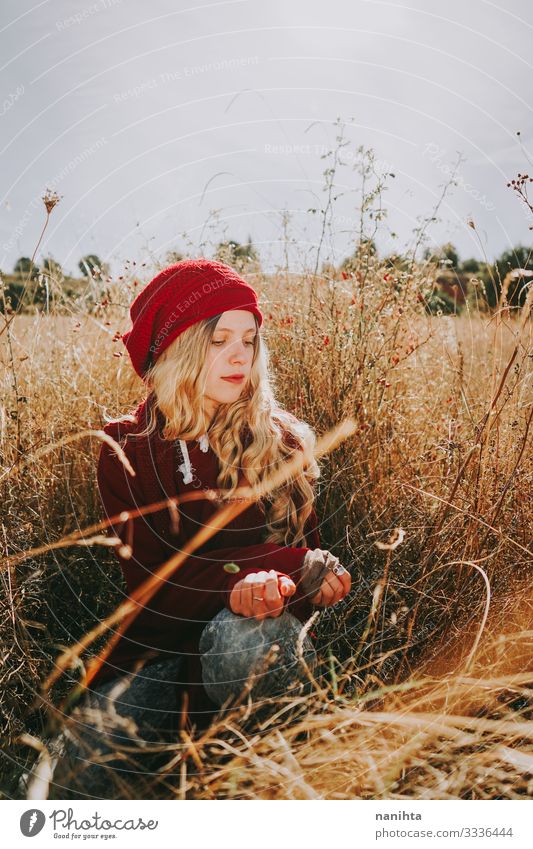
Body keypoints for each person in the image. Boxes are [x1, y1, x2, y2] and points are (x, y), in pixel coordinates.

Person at [50, 258, 351, 798]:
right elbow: (152, 583)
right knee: (77, 797)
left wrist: (312, 582)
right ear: (178, 348)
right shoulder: (127, 448)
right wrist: (257, 574)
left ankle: (270, 790)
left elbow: (308, 563)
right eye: (218, 340)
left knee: (247, 641)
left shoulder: (282, 441)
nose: (240, 355)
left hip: (251, 648)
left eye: (250, 339)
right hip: (157, 652)